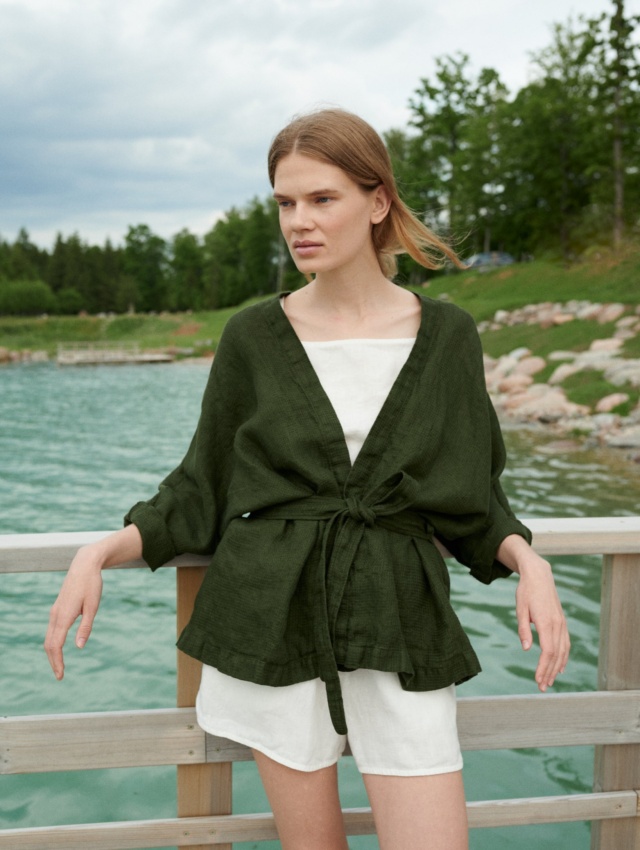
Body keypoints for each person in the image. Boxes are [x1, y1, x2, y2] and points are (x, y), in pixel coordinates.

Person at [45, 108, 570, 850]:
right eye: (285, 204)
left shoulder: (448, 335)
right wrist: (99, 550)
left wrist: (529, 559)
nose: (299, 222)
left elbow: (472, 498)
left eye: (322, 199)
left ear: (377, 201)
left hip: (401, 618)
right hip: (274, 618)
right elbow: (202, 488)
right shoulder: (252, 338)